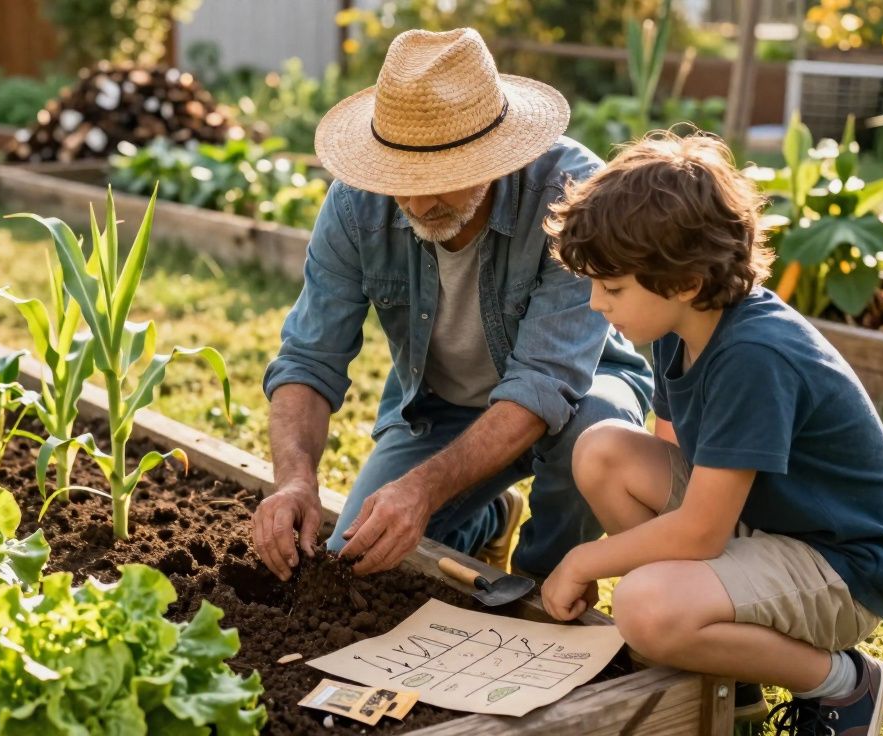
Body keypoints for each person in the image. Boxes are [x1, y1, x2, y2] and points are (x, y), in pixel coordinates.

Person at [542, 132, 883, 733]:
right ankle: (725, 667)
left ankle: (844, 685)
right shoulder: (677, 328)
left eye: (612, 288)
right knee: (603, 452)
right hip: (767, 529)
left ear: (685, 281)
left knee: (643, 606)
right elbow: (677, 469)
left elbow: (700, 531)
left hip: (841, 569)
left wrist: (583, 561)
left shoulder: (754, 354)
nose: (595, 304)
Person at [251, 27, 652, 582]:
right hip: (441, 407)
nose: (418, 202)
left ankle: (541, 585)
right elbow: (308, 358)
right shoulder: (354, 206)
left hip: (578, 392)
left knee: (593, 426)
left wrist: (423, 488)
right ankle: (489, 519)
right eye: (400, 179)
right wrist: (295, 480)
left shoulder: (573, 196)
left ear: (497, 155)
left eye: (442, 178)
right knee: (363, 558)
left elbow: (545, 383)